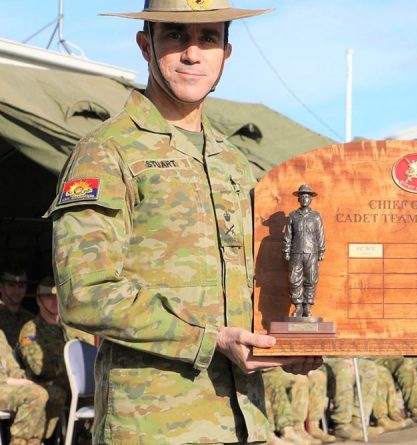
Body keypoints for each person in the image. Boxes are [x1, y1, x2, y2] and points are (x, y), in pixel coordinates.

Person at [46, 1, 320, 443]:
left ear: (226, 52)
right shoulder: (106, 151)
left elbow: (251, 282)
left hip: (244, 422)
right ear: (145, 45)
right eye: (175, 35)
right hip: (153, 426)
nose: (193, 53)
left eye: (208, 38)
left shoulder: (233, 162)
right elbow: (85, 293)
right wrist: (210, 339)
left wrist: (289, 342)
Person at [17, 277, 69, 441]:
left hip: (71, 386)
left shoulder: (69, 328)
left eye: (57, 297)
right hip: (46, 386)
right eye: (48, 297)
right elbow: (40, 369)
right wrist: (70, 366)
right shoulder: (31, 330)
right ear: (39, 300)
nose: (54, 301)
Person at [284, 184, 326, 318]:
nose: (304, 199)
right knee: (294, 279)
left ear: (311, 199)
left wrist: (321, 250)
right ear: (298, 199)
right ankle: (297, 306)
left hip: (311, 252)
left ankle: (307, 307)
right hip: (296, 252)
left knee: (311, 279)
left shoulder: (316, 216)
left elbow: (320, 234)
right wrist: (286, 251)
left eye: (307, 196)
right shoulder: (292, 216)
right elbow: (288, 235)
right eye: (302, 196)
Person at [0, 331, 48, 445]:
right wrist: (6, 380)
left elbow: (12, 365)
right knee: (35, 395)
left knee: (47, 392)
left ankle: (33, 441)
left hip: (6, 386)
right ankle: (18, 441)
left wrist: (21, 378)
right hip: (3, 384)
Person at [0, 266, 35, 349]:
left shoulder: (31, 318)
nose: (16, 290)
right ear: (0, 287)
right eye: (11, 285)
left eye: (21, 286)